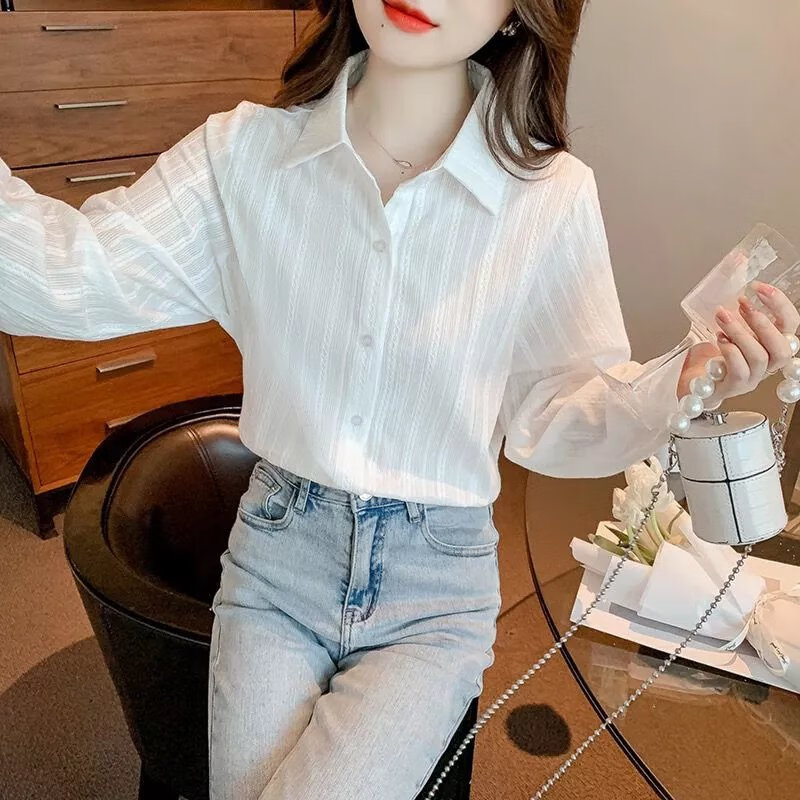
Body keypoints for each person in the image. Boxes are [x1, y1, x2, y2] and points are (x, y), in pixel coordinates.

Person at [1, 1, 798, 798]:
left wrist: (682, 380)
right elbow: (72, 275)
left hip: (434, 593)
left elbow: (553, 413)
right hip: (277, 562)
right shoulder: (245, 154)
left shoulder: (548, 196)